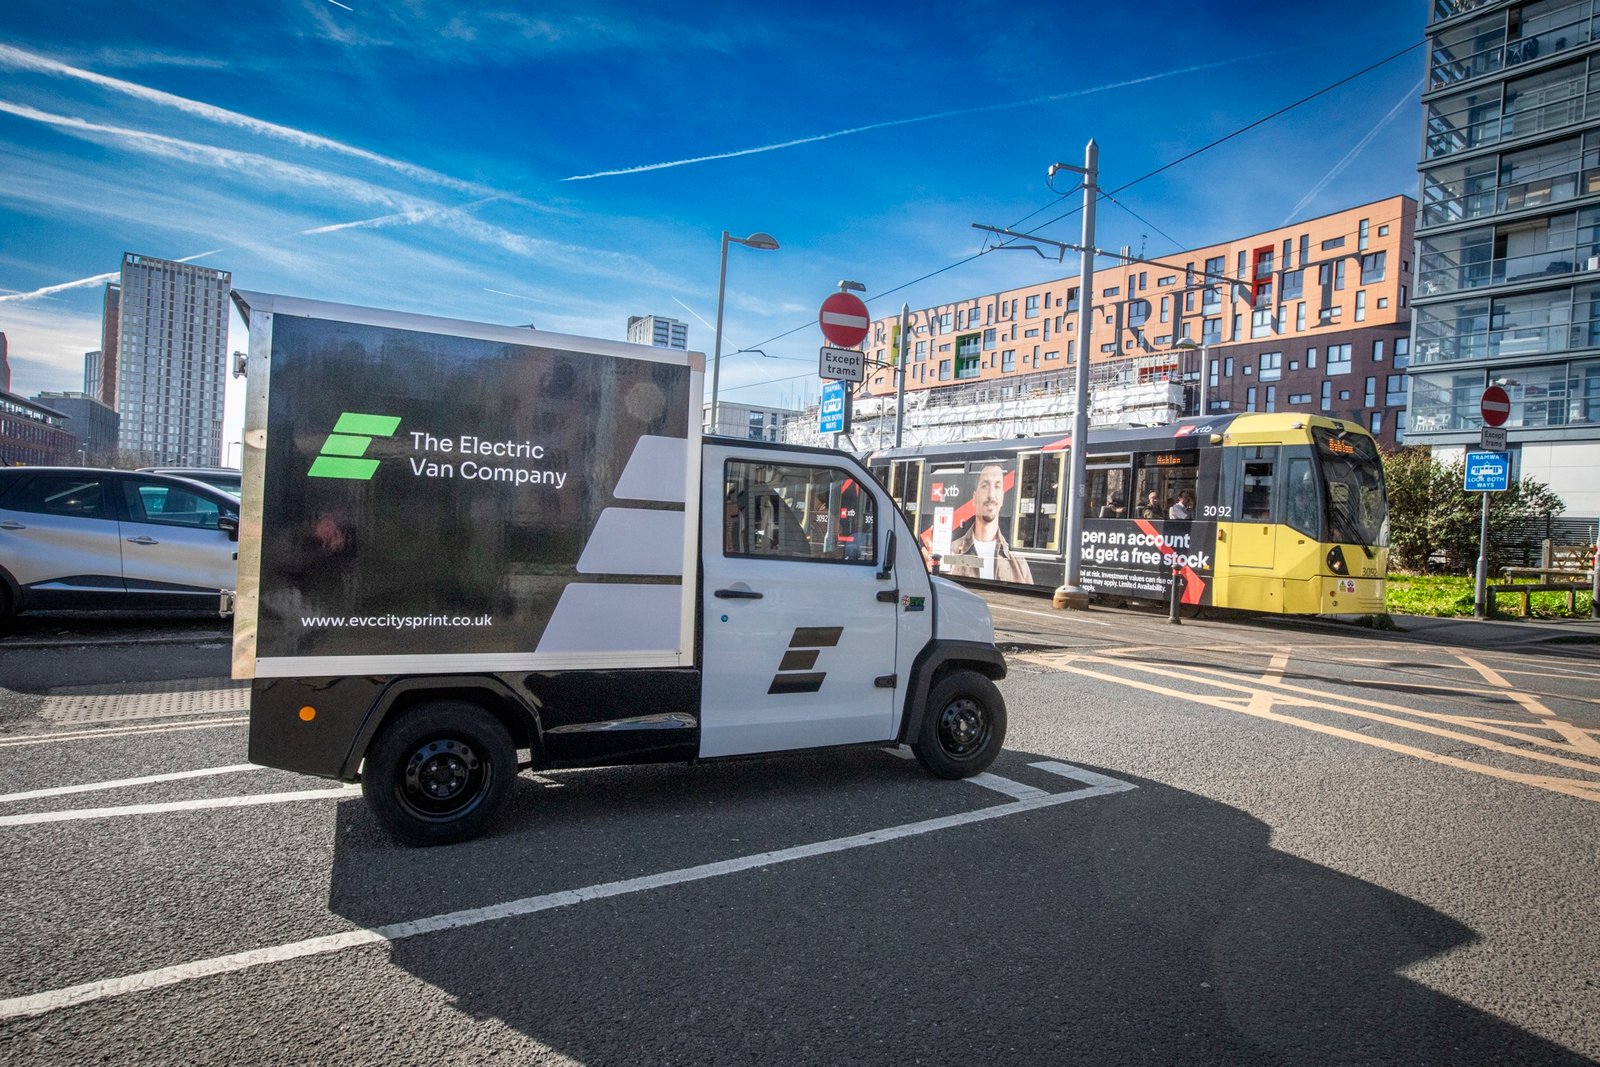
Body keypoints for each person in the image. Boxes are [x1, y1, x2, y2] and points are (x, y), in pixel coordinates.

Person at [941, 463, 1033, 584]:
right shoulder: (950, 551)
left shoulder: (1019, 563)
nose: (991, 495)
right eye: (985, 486)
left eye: (997, 486)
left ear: (1002, 498)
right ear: (974, 498)